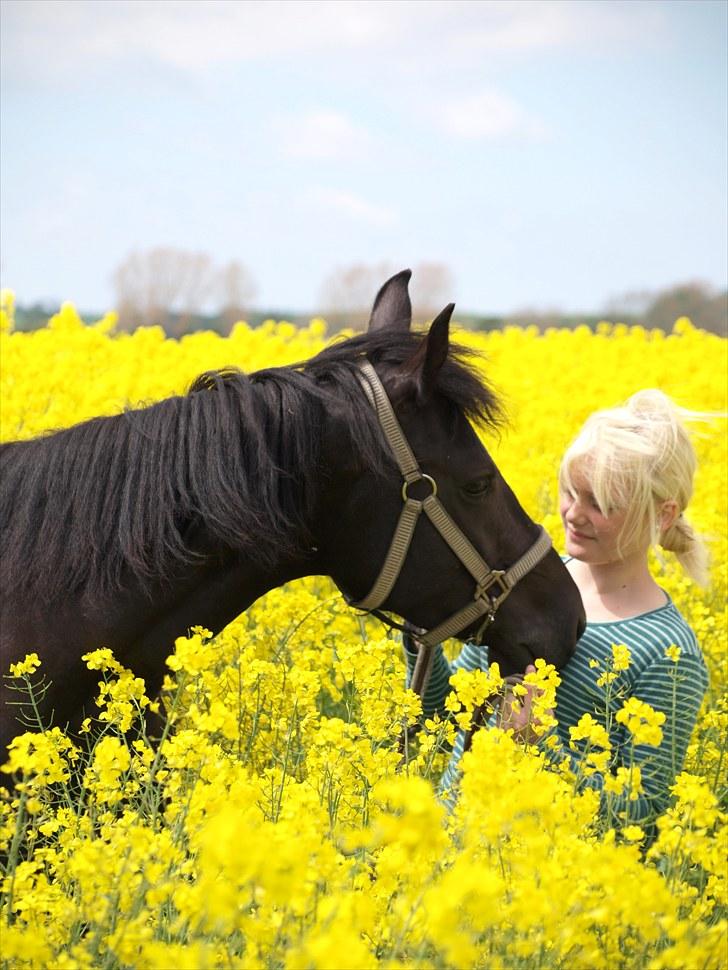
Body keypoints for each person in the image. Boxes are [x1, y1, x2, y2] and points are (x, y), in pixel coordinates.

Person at [403, 389, 710, 838]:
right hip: (448, 852)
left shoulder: (667, 654)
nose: (574, 514)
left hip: (541, 871)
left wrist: (540, 747)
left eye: (600, 503)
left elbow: (642, 816)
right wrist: (419, 637)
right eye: (571, 492)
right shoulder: (521, 586)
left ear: (662, 515)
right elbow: (448, 718)